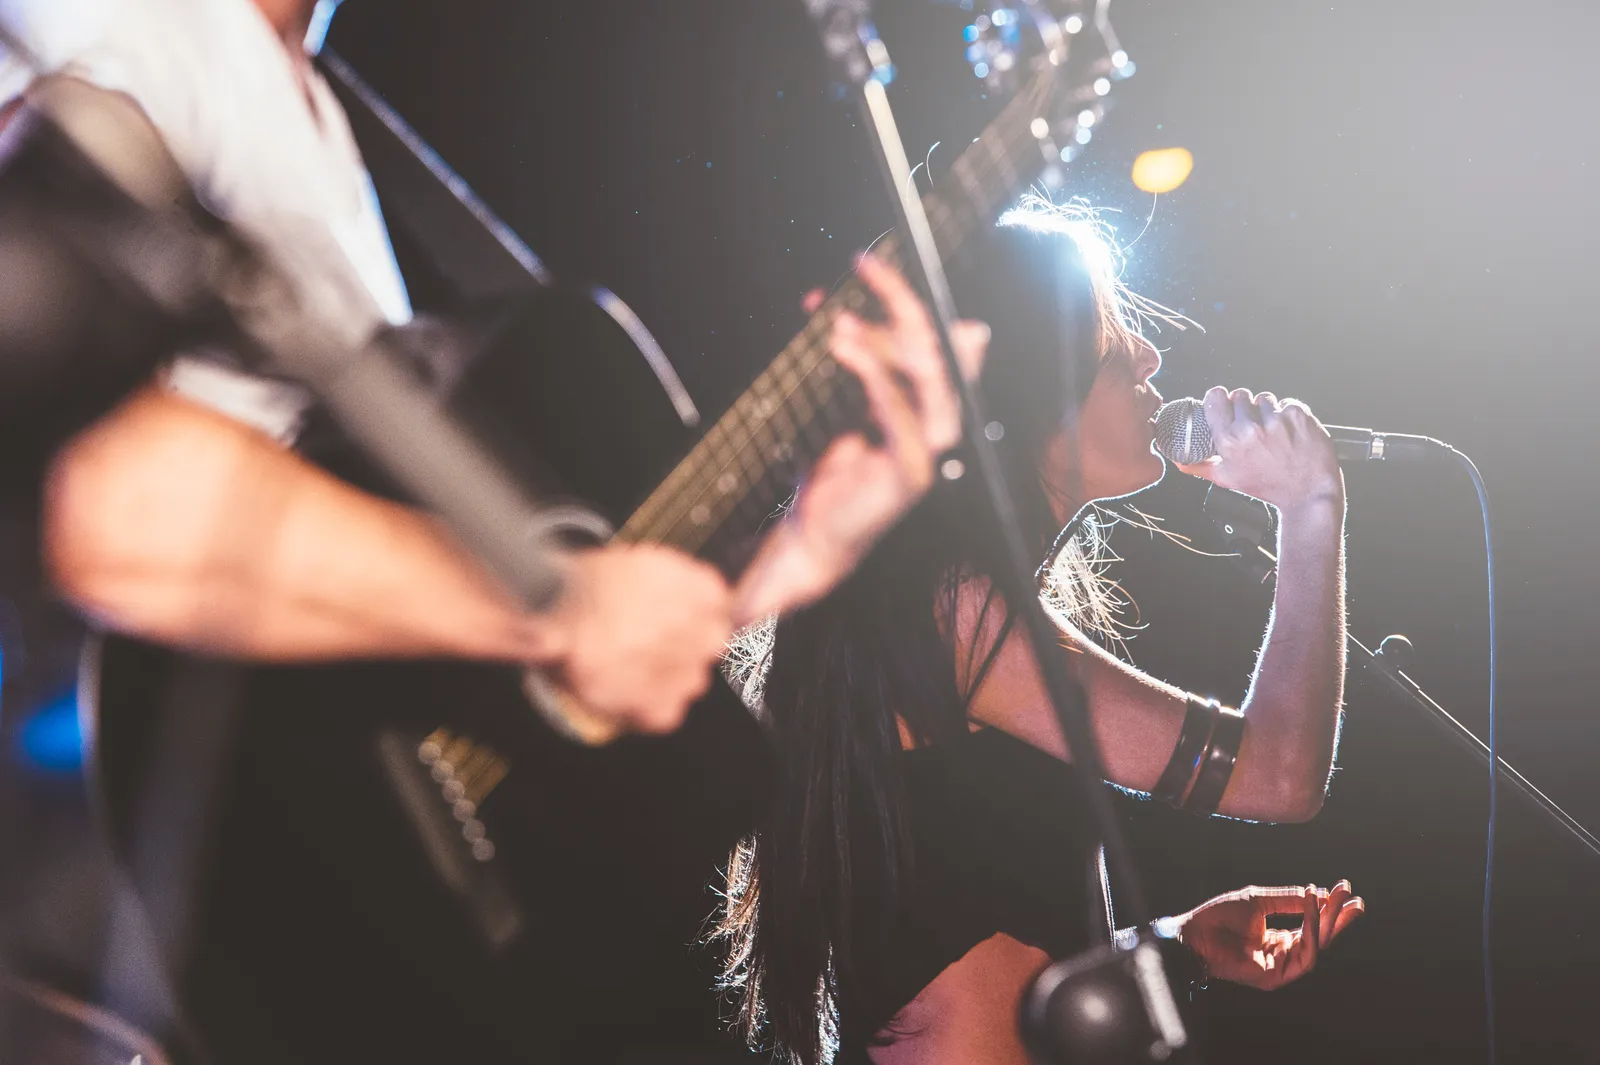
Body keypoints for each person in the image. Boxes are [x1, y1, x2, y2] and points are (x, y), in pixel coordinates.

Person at [0, 0, 989, 736]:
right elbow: (95, 492)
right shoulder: (141, 32)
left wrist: (779, 563)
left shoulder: (310, 108)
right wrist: (549, 611)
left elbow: (434, 619)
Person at [716, 200, 1357, 1065]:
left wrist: (1179, 943)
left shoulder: (946, 605)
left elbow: (1006, 954)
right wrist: (1310, 509)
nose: (1148, 355)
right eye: (1110, 336)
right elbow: (1280, 774)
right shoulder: (950, 606)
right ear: (1026, 388)